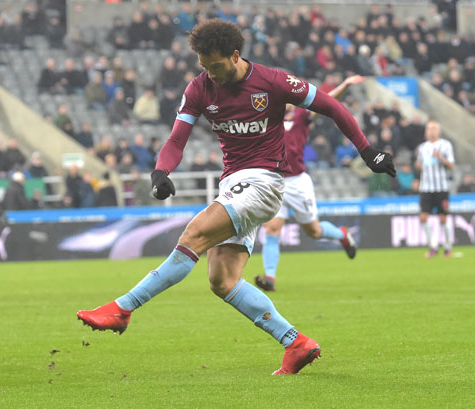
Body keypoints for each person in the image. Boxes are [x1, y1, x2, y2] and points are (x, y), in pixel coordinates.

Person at [77, 19, 395, 375]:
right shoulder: (199, 89)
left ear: (235, 55)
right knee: (221, 280)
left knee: (192, 236)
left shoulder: (272, 81)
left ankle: (123, 308)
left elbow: (331, 106)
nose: (210, 73)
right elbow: (177, 139)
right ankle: (295, 342)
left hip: (265, 182)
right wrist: (161, 172)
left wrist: (368, 153)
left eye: (215, 66)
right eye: (203, 66)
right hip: (233, 185)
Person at [255, 75, 365, 292]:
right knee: (272, 228)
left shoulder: (302, 114)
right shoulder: (269, 117)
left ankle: (342, 234)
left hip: (297, 182)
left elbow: (326, 100)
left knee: (313, 231)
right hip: (276, 181)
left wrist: (344, 85)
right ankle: (270, 278)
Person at [415, 120, 455, 258]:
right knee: (423, 217)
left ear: (438, 131)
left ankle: (447, 247)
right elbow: (419, 164)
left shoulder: (445, 145)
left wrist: (441, 159)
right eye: (428, 129)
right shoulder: (422, 147)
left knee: (443, 218)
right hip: (426, 188)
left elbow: (451, 165)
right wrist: (418, 166)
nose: (431, 131)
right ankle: (433, 246)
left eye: (433, 129)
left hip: (441, 188)